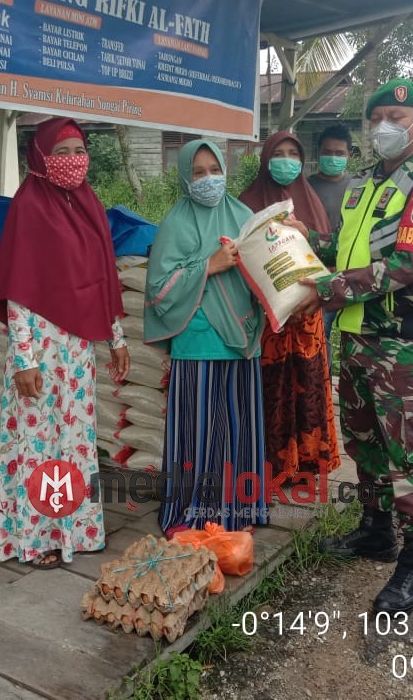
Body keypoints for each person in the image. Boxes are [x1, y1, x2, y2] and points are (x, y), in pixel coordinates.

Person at [292, 77, 413, 613]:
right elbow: (348, 250)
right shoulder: (365, 185)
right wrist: (304, 239)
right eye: (378, 117)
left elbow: (408, 264)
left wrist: (331, 290)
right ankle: (375, 528)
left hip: (401, 341)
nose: (385, 126)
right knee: (364, 439)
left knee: (408, 449)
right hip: (358, 334)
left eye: (397, 117)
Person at [0, 117, 129, 568]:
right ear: (40, 157)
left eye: (79, 151)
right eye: (61, 152)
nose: (72, 160)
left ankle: (75, 530)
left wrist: (117, 338)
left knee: (74, 439)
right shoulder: (29, 207)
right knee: (38, 441)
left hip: (78, 348)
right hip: (40, 347)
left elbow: (105, 277)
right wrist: (24, 359)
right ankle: (38, 537)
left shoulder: (88, 204)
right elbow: (18, 288)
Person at [144, 139, 268, 534]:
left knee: (238, 428)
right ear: (185, 176)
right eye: (198, 172)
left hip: (242, 335)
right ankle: (191, 512)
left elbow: (265, 271)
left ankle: (238, 510)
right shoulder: (175, 223)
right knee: (196, 432)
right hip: (196, 339)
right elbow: (159, 289)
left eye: (215, 170)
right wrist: (208, 265)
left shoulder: (244, 215)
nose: (208, 179)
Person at [239, 132, 339, 484]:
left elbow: (329, 254)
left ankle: (308, 463)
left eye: (293, 153)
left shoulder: (310, 200)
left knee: (308, 385)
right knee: (274, 390)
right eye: (278, 153)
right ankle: (273, 465)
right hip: (270, 322)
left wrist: (303, 235)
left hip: (308, 316)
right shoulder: (247, 202)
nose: (286, 160)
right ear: (266, 159)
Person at [307, 123, 355, 362]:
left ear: (349, 155)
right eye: (327, 152)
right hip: (316, 275)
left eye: (339, 153)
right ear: (318, 152)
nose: (333, 157)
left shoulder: (358, 188)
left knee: (352, 337)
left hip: (352, 275)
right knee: (319, 335)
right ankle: (323, 378)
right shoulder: (306, 187)